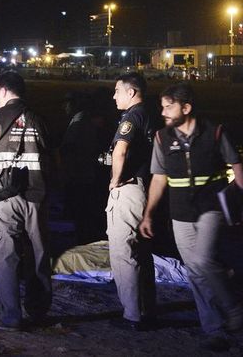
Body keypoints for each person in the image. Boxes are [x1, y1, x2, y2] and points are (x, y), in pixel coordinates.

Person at [139, 83, 243, 348]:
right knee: (195, 271)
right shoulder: (162, 138)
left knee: (202, 259)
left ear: (186, 108)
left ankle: (233, 307)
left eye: (169, 106)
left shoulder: (216, 132)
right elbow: (158, 179)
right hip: (180, 212)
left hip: (211, 207)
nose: (163, 111)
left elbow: (238, 168)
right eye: (162, 106)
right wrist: (148, 214)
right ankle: (213, 327)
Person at [0, 71, 52, 331]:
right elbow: (53, 156)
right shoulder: (40, 119)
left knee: (5, 257)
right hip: (36, 196)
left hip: (2, 198)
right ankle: (38, 311)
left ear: (3, 91)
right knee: (38, 256)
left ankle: (11, 317)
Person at [106, 72, 156, 331]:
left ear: (132, 92)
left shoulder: (131, 117)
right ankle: (147, 309)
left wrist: (115, 180)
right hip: (146, 187)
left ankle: (132, 315)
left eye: (117, 90)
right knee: (142, 253)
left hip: (130, 188)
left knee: (124, 252)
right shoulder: (150, 114)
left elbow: (121, 149)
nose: (114, 95)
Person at [59, 92, 103, 244]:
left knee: (79, 211)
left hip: (79, 174)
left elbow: (69, 148)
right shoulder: (85, 120)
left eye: (67, 104)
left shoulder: (79, 120)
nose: (64, 107)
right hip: (84, 173)